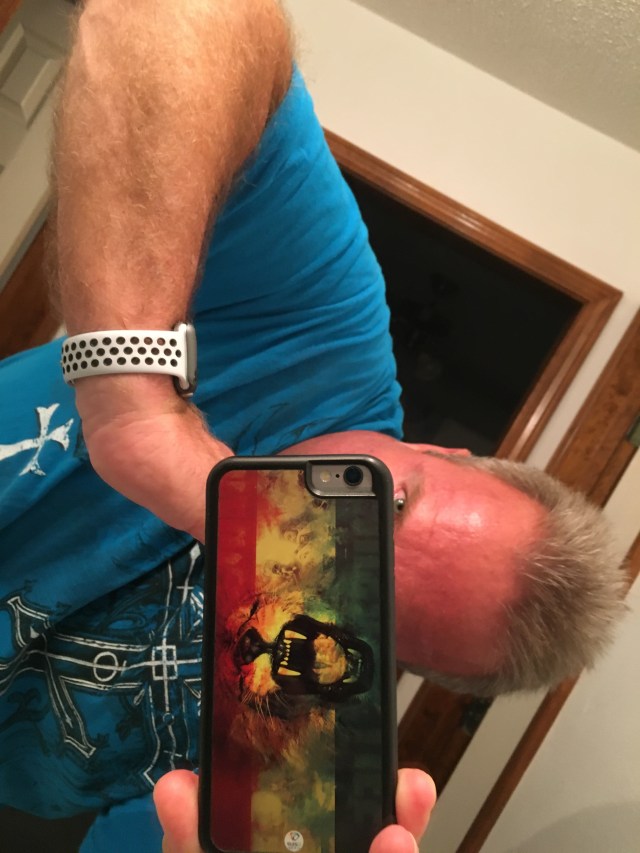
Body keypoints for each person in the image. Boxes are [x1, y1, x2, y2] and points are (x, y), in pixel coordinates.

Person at [0, 0, 625, 850]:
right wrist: (133, 399)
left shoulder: (291, 735)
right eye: (383, 508)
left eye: (362, 603)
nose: (320, 551)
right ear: (439, 450)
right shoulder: (324, 338)